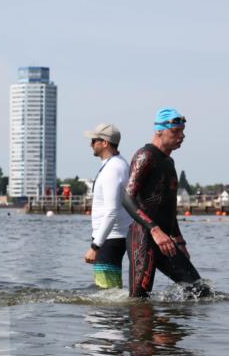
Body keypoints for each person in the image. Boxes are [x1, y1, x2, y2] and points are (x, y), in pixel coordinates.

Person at [123, 108, 207, 298]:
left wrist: (179, 239)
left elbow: (168, 207)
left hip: (165, 241)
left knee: (200, 291)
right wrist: (154, 230)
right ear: (159, 131)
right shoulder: (145, 156)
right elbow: (126, 199)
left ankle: (172, 327)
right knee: (139, 302)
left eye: (183, 131)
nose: (182, 136)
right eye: (176, 131)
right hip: (143, 237)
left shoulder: (169, 163)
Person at [82, 123, 132, 289]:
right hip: (112, 236)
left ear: (105, 143)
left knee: (106, 293)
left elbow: (111, 211)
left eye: (94, 140)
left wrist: (95, 246)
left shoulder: (113, 168)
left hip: (110, 238)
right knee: (110, 291)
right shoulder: (117, 164)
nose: (90, 144)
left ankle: (108, 316)